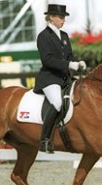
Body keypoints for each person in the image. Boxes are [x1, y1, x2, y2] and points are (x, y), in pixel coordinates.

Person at [34, 4, 86, 154]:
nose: (63, 20)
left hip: (65, 78)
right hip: (50, 78)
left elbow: (69, 56)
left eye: (64, 18)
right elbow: (47, 60)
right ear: (51, 17)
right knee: (57, 103)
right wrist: (69, 64)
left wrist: (77, 62)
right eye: (61, 17)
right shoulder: (43, 36)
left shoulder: (64, 36)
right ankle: (44, 140)